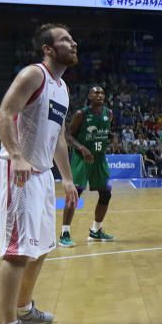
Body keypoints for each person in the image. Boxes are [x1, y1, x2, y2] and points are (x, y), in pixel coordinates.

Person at [0, 24, 79, 324]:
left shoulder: (62, 88)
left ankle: (23, 309)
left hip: (42, 176)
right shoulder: (34, 75)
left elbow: (57, 138)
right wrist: (16, 156)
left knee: (41, 247)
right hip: (19, 173)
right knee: (16, 252)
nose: (73, 43)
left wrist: (67, 178)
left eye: (71, 39)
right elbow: (4, 115)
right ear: (48, 49)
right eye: (65, 40)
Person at [60, 86, 115, 247]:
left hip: (99, 159)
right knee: (74, 194)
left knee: (106, 194)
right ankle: (65, 233)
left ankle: (95, 230)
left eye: (102, 93)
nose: (100, 95)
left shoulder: (109, 114)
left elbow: (103, 132)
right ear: (89, 96)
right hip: (82, 159)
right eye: (96, 92)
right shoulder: (81, 114)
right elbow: (68, 135)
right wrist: (82, 148)